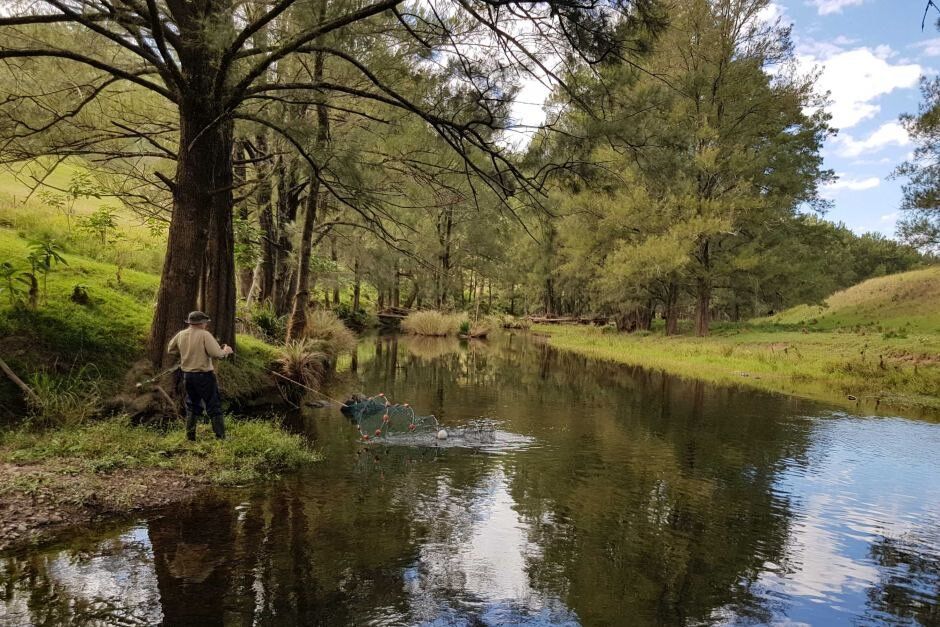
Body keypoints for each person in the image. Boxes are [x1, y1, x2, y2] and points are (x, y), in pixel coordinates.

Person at [167, 311, 234, 441]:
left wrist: (185, 352)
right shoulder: (204, 334)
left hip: (188, 376)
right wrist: (226, 351)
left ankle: (190, 437)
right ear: (201, 323)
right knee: (213, 404)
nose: (206, 325)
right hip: (204, 376)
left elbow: (170, 349)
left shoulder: (181, 334)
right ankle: (221, 437)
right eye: (205, 322)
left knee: (192, 404)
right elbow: (216, 354)